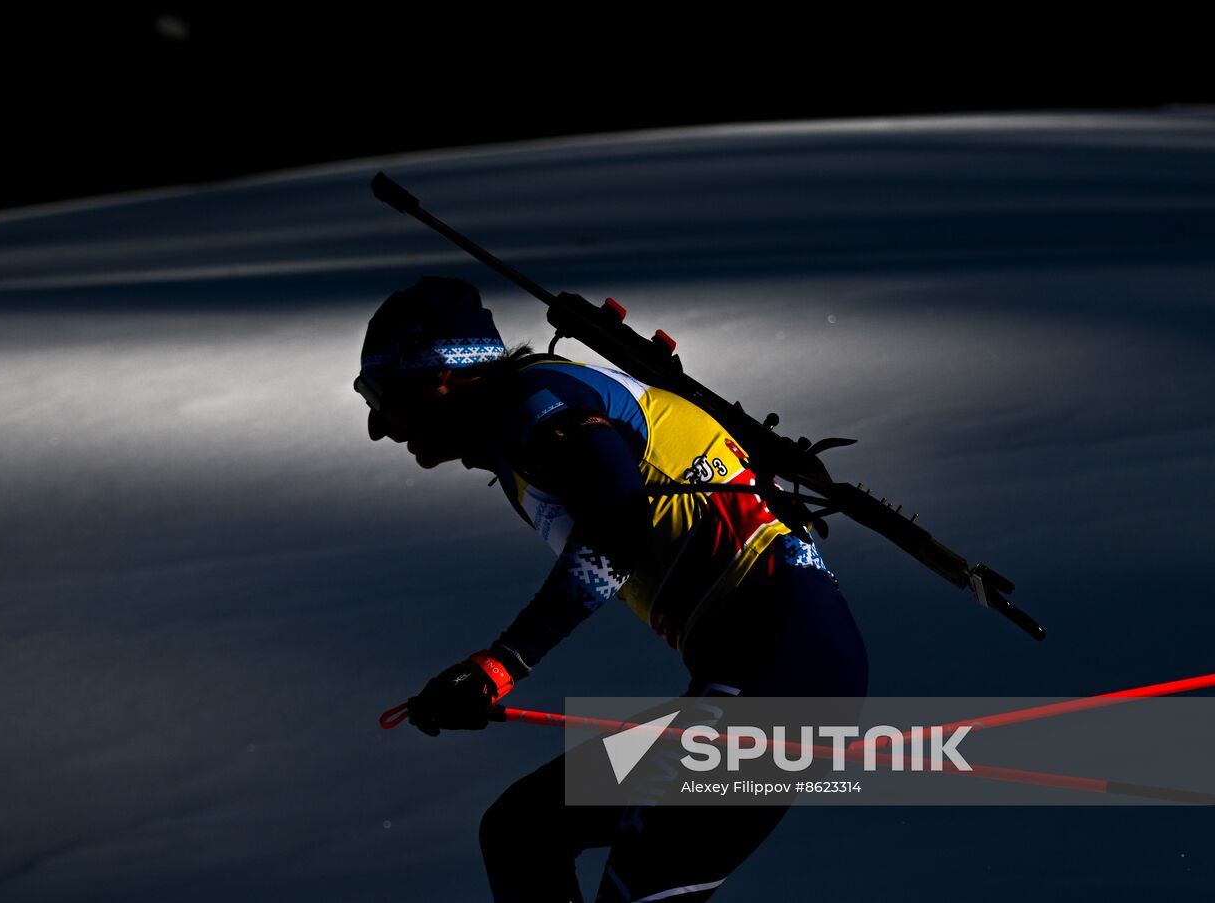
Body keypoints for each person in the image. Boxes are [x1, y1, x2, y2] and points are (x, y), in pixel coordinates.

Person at [359, 275, 869, 902]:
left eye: (381, 395)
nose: (377, 426)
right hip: (772, 667)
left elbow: (621, 526)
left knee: (603, 869)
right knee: (523, 832)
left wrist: (500, 665)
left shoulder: (533, 405)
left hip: (780, 671)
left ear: (443, 376)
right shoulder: (535, 412)